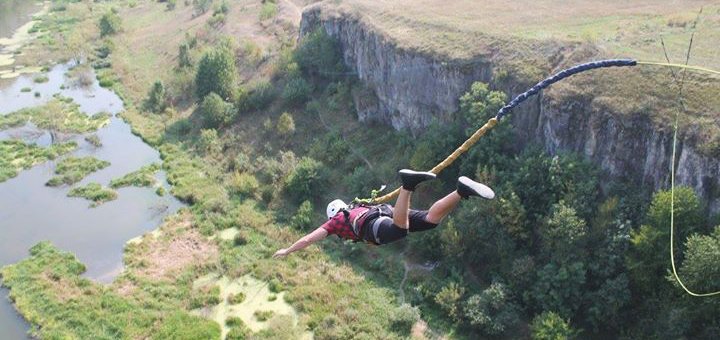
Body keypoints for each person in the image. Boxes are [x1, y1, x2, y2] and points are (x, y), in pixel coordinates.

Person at [272, 169, 495, 258]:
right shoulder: (356, 206)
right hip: (384, 212)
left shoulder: (335, 223)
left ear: (332, 215)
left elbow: (309, 238)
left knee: (400, 230)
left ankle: (408, 184)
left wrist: (287, 250)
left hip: (373, 226)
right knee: (430, 220)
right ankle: (461, 191)